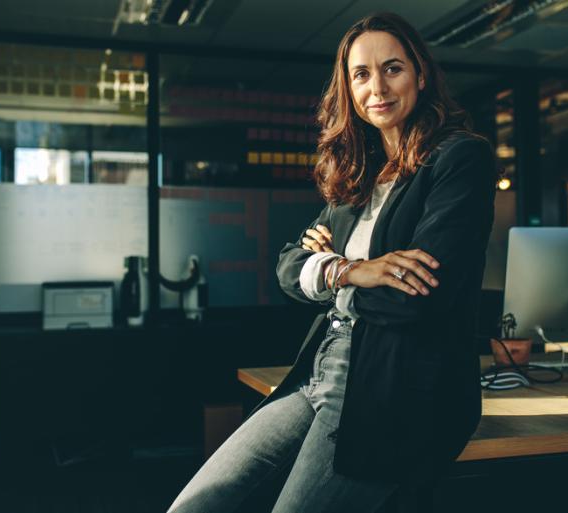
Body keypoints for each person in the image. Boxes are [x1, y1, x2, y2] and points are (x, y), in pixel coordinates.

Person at [167, 11, 496, 513]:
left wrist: (330, 272)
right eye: (361, 75)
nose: (377, 87)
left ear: (421, 75)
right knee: (194, 505)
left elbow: (418, 298)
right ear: (348, 87)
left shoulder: (458, 159)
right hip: (319, 370)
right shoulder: (356, 174)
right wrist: (347, 269)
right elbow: (286, 267)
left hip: (393, 389)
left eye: (393, 68)